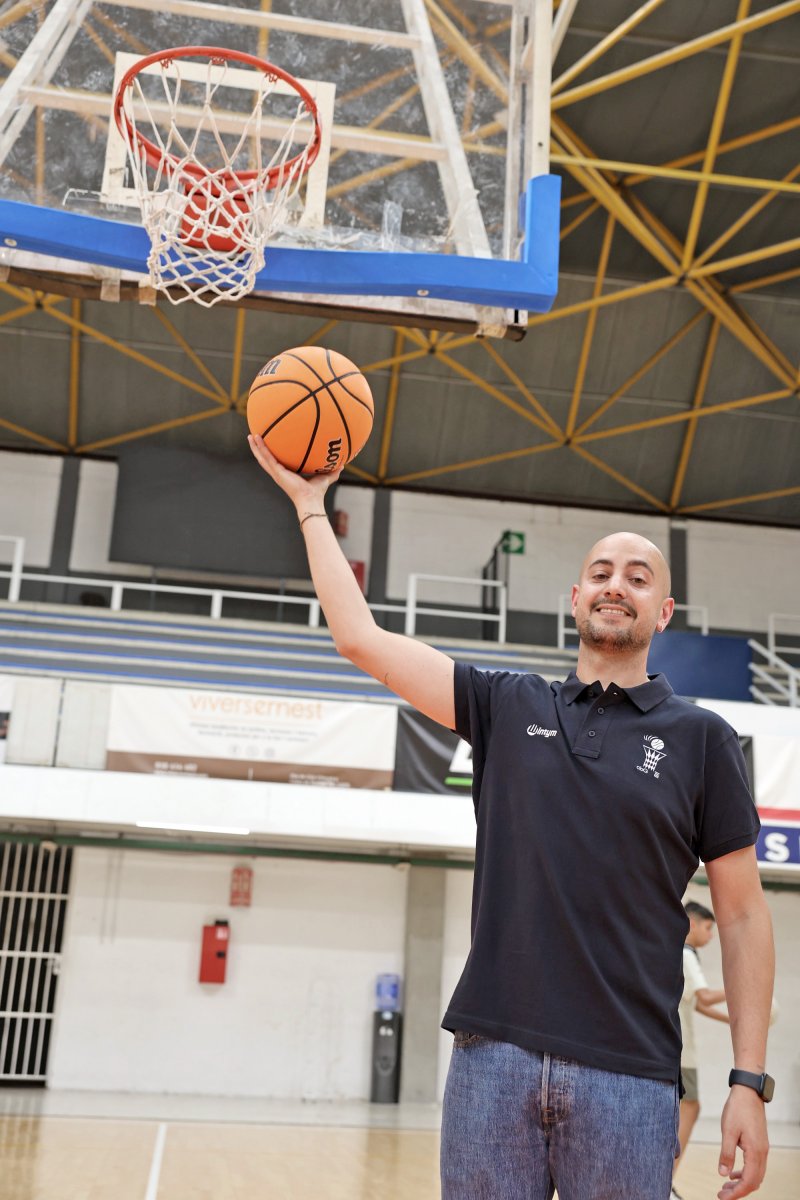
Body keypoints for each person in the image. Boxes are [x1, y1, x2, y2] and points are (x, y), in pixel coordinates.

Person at [248, 433, 775, 1200]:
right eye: (600, 572)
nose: (614, 585)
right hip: (492, 1060)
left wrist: (747, 1083)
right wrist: (309, 507)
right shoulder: (506, 703)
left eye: (636, 577)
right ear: (575, 598)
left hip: (630, 1076)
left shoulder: (703, 739)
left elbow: (744, 917)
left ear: (661, 612)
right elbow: (359, 638)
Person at [672, 901, 730, 1200]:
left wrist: (734, 1019)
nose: (711, 936)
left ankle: (666, 1177)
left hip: (674, 1047)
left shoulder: (673, 952)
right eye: (709, 928)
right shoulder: (685, 953)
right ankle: (667, 1178)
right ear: (692, 924)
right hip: (681, 1050)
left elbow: (699, 1002)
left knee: (684, 1108)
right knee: (690, 1107)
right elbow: (706, 995)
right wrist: (745, 988)